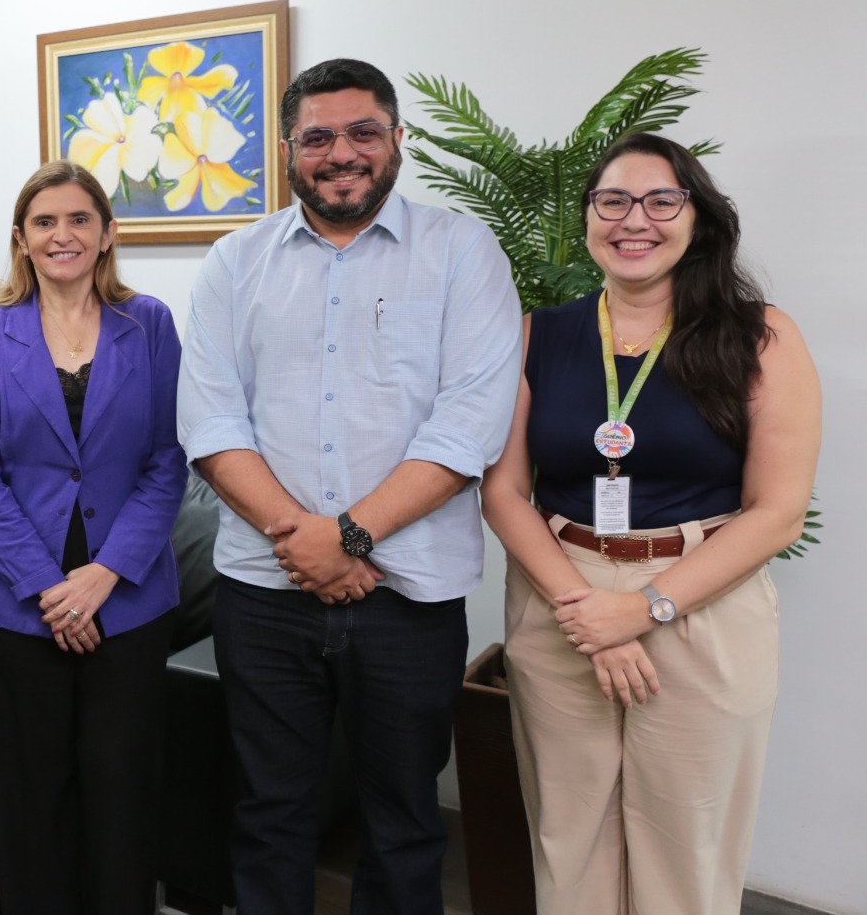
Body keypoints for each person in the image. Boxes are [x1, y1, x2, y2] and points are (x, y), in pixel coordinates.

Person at [176, 57, 523, 914]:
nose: (342, 153)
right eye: (319, 137)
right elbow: (212, 423)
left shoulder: (461, 252)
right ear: (288, 151)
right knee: (268, 812)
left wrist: (348, 538)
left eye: (363, 132)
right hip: (264, 595)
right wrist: (308, 544)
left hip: (407, 598)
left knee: (403, 820)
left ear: (397, 138)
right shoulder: (235, 261)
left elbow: (468, 426)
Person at [481, 133, 821, 914]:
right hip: (561, 599)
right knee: (568, 836)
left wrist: (642, 608)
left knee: (686, 846)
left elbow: (777, 512)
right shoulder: (539, 334)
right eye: (613, 201)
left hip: (701, 600)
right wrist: (587, 613)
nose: (634, 220)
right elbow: (504, 492)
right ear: (587, 218)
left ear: (697, 218)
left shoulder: (760, 336)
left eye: (661, 200)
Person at [0, 160, 187, 914]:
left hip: (127, 599)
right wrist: (51, 588)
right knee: (30, 793)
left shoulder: (148, 324)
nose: (63, 235)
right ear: (21, 239)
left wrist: (104, 573)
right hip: (20, 602)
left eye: (80, 219)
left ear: (108, 233)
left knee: (123, 790)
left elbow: (167, 460)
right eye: (45, 221)